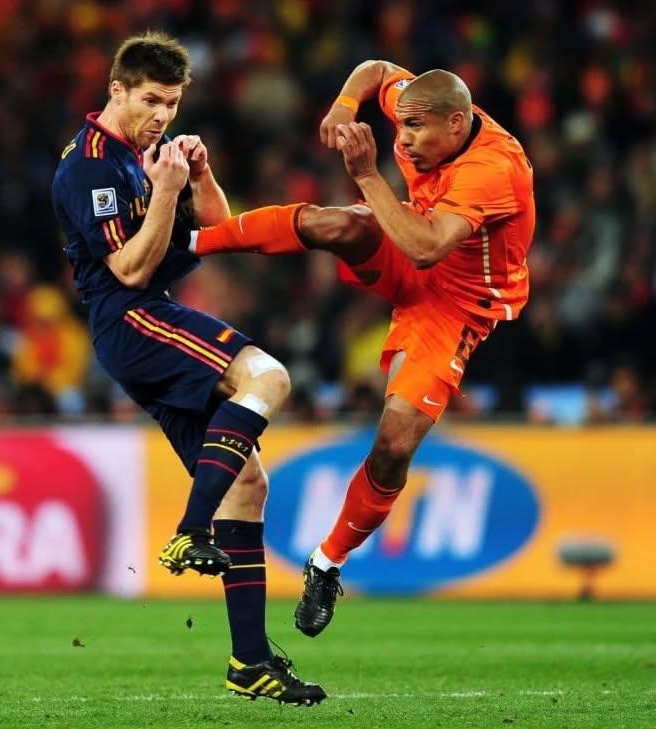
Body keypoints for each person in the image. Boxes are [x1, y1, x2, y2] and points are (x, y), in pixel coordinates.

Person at [179, 60, 535, 636]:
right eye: (402, 125)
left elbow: (426, 248)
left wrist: (368, 175)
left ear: (456, 123)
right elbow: (376, 70)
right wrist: (345, 104)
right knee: (336, 224)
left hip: (456, 302)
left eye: (417, 128)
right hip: (411, 239)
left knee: (394, 444)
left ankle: (327, 563)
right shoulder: (420, 104)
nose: (405, 138)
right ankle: (192, 243)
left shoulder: (492, 169)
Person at [51, 31, 325, 704]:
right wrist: (166, 191)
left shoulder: (149, 152)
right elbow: (129, 269)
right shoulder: (90, 166)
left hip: (150, 316)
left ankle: (249, 662)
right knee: (268, 376)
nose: (162, 116)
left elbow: (218, 231)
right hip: (133, 317)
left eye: (172, 103)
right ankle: (190, 530)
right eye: (150, 100)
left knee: (247, 485)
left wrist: (197, 178)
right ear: (116, 90)